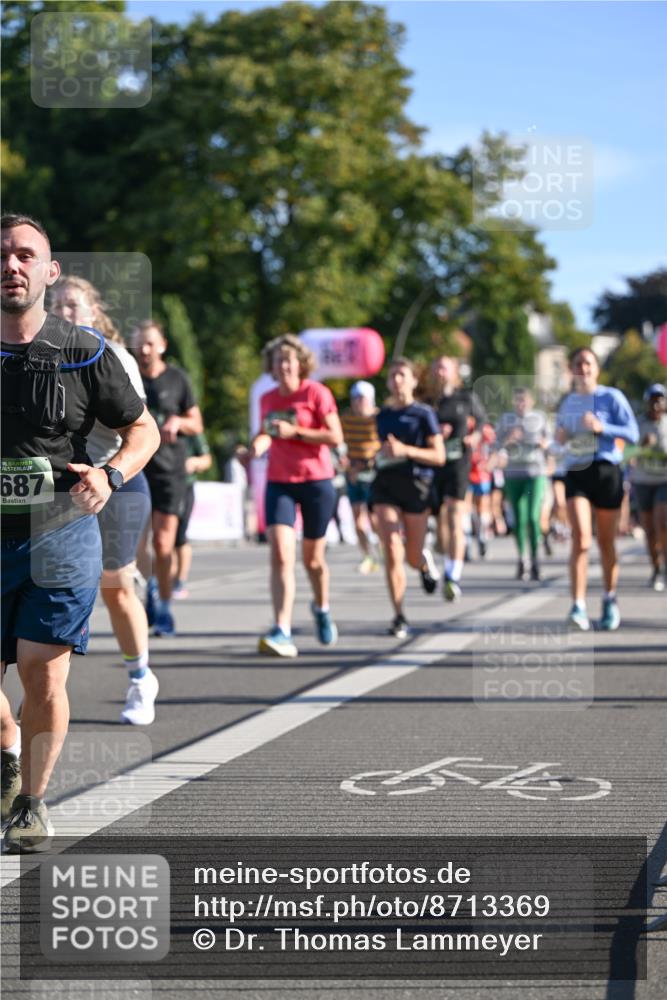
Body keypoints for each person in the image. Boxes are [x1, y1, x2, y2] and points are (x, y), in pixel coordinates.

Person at [0, 214, 159, 852]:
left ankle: (32, 806)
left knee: (42, 673)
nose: (11, 266)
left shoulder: (85, 351)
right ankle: (9, 750)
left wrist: (111, 475)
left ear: (48, 270)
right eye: (1, 256)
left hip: (59, 527)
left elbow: (141, 431)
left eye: (24, 255)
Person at [51, 276, 158, 724]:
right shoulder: (38, 357)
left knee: (114, 585)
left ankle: (140, 678)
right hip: (65, 486)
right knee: (56, 588)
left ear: (93, 312)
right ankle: (45, 692)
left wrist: (107, 474)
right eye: (55, 306)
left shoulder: (113, 356)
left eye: (73, 306)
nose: (64, 314)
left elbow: (138, 430)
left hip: (119, 479)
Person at [245, 334, 343, 657]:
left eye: (289, 360)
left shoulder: (316, 393)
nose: (285, 366)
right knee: (281, 554)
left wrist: (297, 432)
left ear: (300, 364)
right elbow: (265, 435)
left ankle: (322, 607)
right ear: (271, 368)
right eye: (278, 361)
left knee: (313, 561)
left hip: (316, 481)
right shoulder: (269, 399)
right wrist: (253, 450)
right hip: (280, 482)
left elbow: (334, 435)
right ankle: (282, 629)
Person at [556, 347, 639, 631]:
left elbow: (633, 433)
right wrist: (561, 437)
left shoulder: (611, 397)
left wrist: (602, 427)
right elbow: (559, 439)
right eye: (578, 363)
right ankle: (578, 606)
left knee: (605, 542)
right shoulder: (567, 403)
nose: (583, 368)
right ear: (572, 369)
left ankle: (609, 598)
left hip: (606, 470)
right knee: (580, 539)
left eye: (588, 363)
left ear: (597, 368)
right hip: (577, 472)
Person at [133, 320, 203, 637]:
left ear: (162, 345)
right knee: (138, 546)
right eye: (139, 343)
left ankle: (163, 607)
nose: (144, 349)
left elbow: (197, 424)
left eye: (150, 343)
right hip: (134, 467)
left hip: (169, 470)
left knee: (163, 543)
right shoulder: (127, 376)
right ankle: (150, 587)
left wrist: (178, 422)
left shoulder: (177, 379)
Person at [370, 357, 445, 637]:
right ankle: (399, 615)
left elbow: (438, 456)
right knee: (391, 547)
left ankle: (423, 562)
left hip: (416, 486)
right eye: (393, 376)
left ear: (414, 381)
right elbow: (372, 451)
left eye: (403, 375)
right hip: (385, 486)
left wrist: (406, 451)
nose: (397, 380)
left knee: (411, 557)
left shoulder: (424, 414)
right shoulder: (381, 417)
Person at [428, 356, 486, 601]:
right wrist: (434, 434)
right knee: (439, 529)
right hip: (432, 466)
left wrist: (474, 437)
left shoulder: (466, 398)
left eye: (445, 367)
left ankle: (453, 576)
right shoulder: (427, 402)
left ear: (453, 372)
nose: (441, 372)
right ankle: (439, 563)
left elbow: (482, 422)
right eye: (437, 367)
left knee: (454, 518)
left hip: (459, 465)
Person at [495, 387, 550, 581]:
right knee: (518, 517)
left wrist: (544, 445)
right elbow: (496, 444)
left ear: (531, 401)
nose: (521, 404)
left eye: (524, 400)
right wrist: (509, 439)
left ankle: (536, 559)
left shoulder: (539, 418)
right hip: (513, 472)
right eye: (518, 400)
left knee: (533, 517)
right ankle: (522, 559)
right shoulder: (506, 420)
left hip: (535, 472)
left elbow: (551, 441)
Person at [339, 380, 381, 574]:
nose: (359, 403)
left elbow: (383, 446)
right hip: (353, 474)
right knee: (357, 519)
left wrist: (367, 464)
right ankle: (368, 556)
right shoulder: (346, 419)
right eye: (355, 398)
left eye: (362, 399)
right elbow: (339, 443)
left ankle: (384, 550)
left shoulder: (379, 418)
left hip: (374, 472)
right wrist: (345, 462)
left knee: (374, 518)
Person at [630, 383, 667, 591]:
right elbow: (626, 454)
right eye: (653, 399)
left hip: (664, 481)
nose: (656, 404)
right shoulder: (638, 424)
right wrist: (641, 446)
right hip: (643, 482)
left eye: (660, 399)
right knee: (650, 530)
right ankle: (656, 569)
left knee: (663, 524)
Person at [173, 431, 212, 599]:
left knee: (179, 536)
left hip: (184, 486)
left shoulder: (191, 430)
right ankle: (162, 579)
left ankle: (180, 580)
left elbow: (207, 459)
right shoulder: (154, 418)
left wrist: (194, 462)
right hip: (159, 483)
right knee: (161, 538)